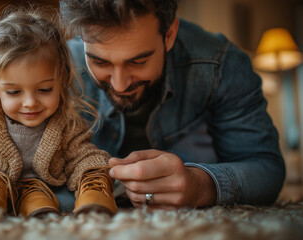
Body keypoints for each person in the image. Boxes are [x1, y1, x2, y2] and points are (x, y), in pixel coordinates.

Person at [60, 0, 286, 209]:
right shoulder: (60, 68)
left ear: (169, 35)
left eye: (138, 61)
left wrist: (201, 185)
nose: (120, 85)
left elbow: (266, 169)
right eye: (99, 61)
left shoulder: (220, 65)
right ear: (82, 37)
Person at [0, 7, 117, 221]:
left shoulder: (66, 123)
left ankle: (93, 196)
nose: (30, 103)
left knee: (91, 167)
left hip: (55, 193)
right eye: (14, 92)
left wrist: (91, 173)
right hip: (3, 191)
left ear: (61, 82)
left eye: (44, 90)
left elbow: (83, 155)